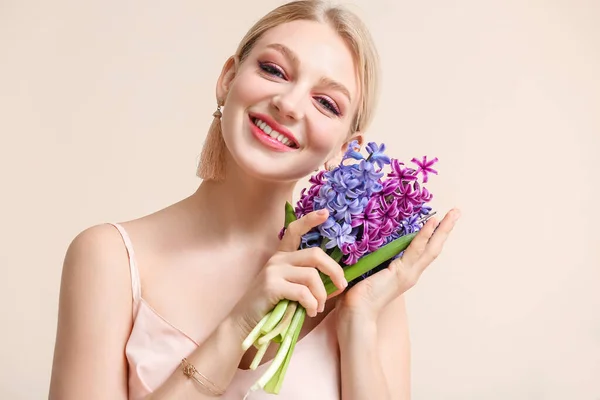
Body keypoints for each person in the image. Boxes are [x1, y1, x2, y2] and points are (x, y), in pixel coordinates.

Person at [48, 1, 460, 399]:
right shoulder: (109, 258)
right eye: (274, 70)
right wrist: (238, 324)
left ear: (346, 150)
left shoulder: (367, 285)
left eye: (326, 103)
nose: (289, 103)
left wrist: (359, 320)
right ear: (228, 78)